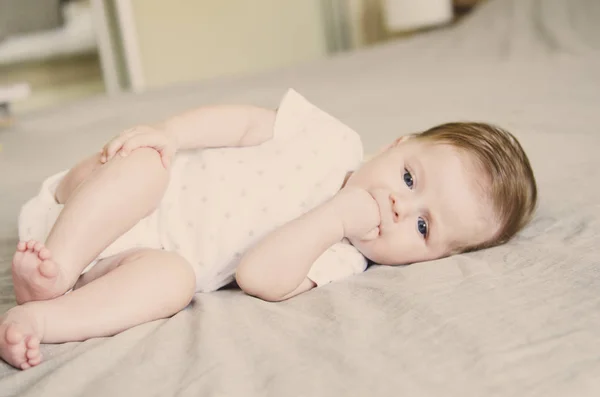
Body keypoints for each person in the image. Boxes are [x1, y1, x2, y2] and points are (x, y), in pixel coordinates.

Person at [0, 89, 537, 370]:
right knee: (145, 165)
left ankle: (45, 313)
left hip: (134, 259)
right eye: (408, 177)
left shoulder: (343, 255)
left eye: (423, 226)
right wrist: (168, 133)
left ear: (435, 258)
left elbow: (259, 276)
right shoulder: (331, 139)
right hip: (103, 197)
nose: (398, 207)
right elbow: (242, 123)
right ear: (397, 144)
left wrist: (336, 218)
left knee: (174, 282)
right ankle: (58, 264)